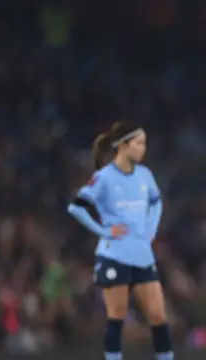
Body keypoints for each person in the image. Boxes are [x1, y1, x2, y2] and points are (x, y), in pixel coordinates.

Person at [67, 122, 173, 360]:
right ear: (123, 146)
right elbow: (76, 207)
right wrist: (103, 231)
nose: (143, 149)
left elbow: (156, 202)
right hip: (114, 255)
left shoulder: (145, 175)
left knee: (157, 315)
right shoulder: (103, 178)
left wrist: (150, 230)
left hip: (142, 255)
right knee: (117, 316)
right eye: (139, 143)